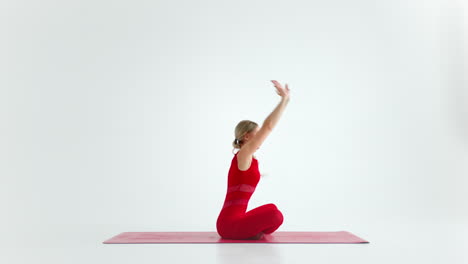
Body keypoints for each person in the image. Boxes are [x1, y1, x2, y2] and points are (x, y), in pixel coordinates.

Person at [216, 80, 291, 240]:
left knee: (273, 209)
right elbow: (268, 127)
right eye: (257, 134)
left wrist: (287, 100)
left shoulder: (249, 158)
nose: (260, 138)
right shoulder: (243, 154)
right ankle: (246, 232)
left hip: (235, 221)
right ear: (247, 136)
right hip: (228, 225)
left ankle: (249, 232)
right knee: (274, 216)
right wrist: (283, 99)